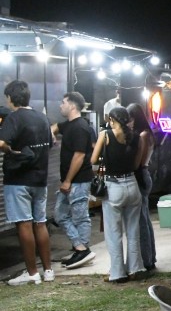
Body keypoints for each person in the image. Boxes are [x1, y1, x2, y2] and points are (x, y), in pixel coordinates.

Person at [0, 80, 54, 286]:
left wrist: (9, 151)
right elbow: (51, 142)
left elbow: (2, 142)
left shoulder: (14, 118)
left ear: (11, 98)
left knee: (24, 223)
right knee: (40, 223)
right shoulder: (42, 118)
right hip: (40, 178)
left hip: (18, 179)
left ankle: (32, 273)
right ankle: (48, 270)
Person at [91, 107, 144, 283]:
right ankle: (135, 268)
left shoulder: (105, 135)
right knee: (133, 231)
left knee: (114, 233)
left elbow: (92, 160)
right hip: (132, 185)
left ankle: (118, 273)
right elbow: (136, 165)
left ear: (112, 119)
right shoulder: (137, 137)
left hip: (113, 187)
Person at [51, 92, 96, 269]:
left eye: (63, 103)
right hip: (71, 180)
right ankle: (80, 248)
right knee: (60, 214)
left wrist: (68, 180)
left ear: (72, 106)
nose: (60, 106)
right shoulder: (69, 125)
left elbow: (79, 156)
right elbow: (55, 127)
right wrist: (51, 133)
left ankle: (82, 250)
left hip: (77, 180)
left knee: (80, 217)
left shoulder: (79, 127)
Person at [128, 103, 157, 271]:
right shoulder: (146, 133)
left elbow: (139, 161)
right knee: (144, 219)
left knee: (142, 221)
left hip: (141, 175)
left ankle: (147, 259)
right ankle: (149, 257)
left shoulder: (143, 135)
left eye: (130, 119)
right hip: (144, 174)